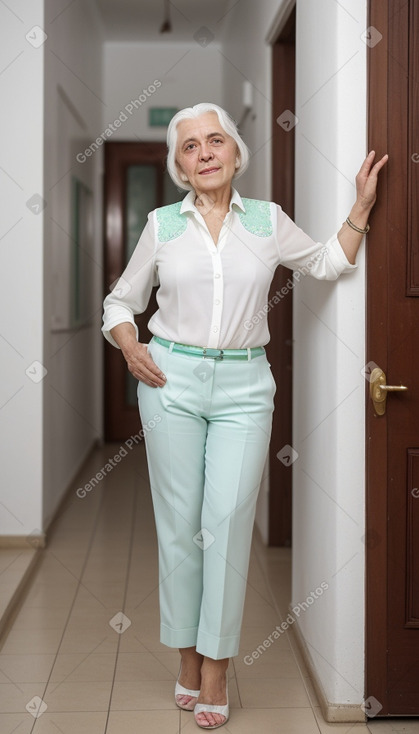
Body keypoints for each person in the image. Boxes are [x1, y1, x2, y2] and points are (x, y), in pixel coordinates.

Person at [101, 102, 388, 729]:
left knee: (225, 524)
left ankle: (218, 667)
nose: (204, 153)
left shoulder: (266, 221)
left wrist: (360, 209)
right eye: (189, 147)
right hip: (169, 379)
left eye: (215, 141)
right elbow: (120, 301)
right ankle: (185, 654)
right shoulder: (161, 225)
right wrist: (130, 345)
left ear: (235, 151)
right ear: (178, 165)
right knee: (179, 526)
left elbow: (326, 264)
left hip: (244, 386)